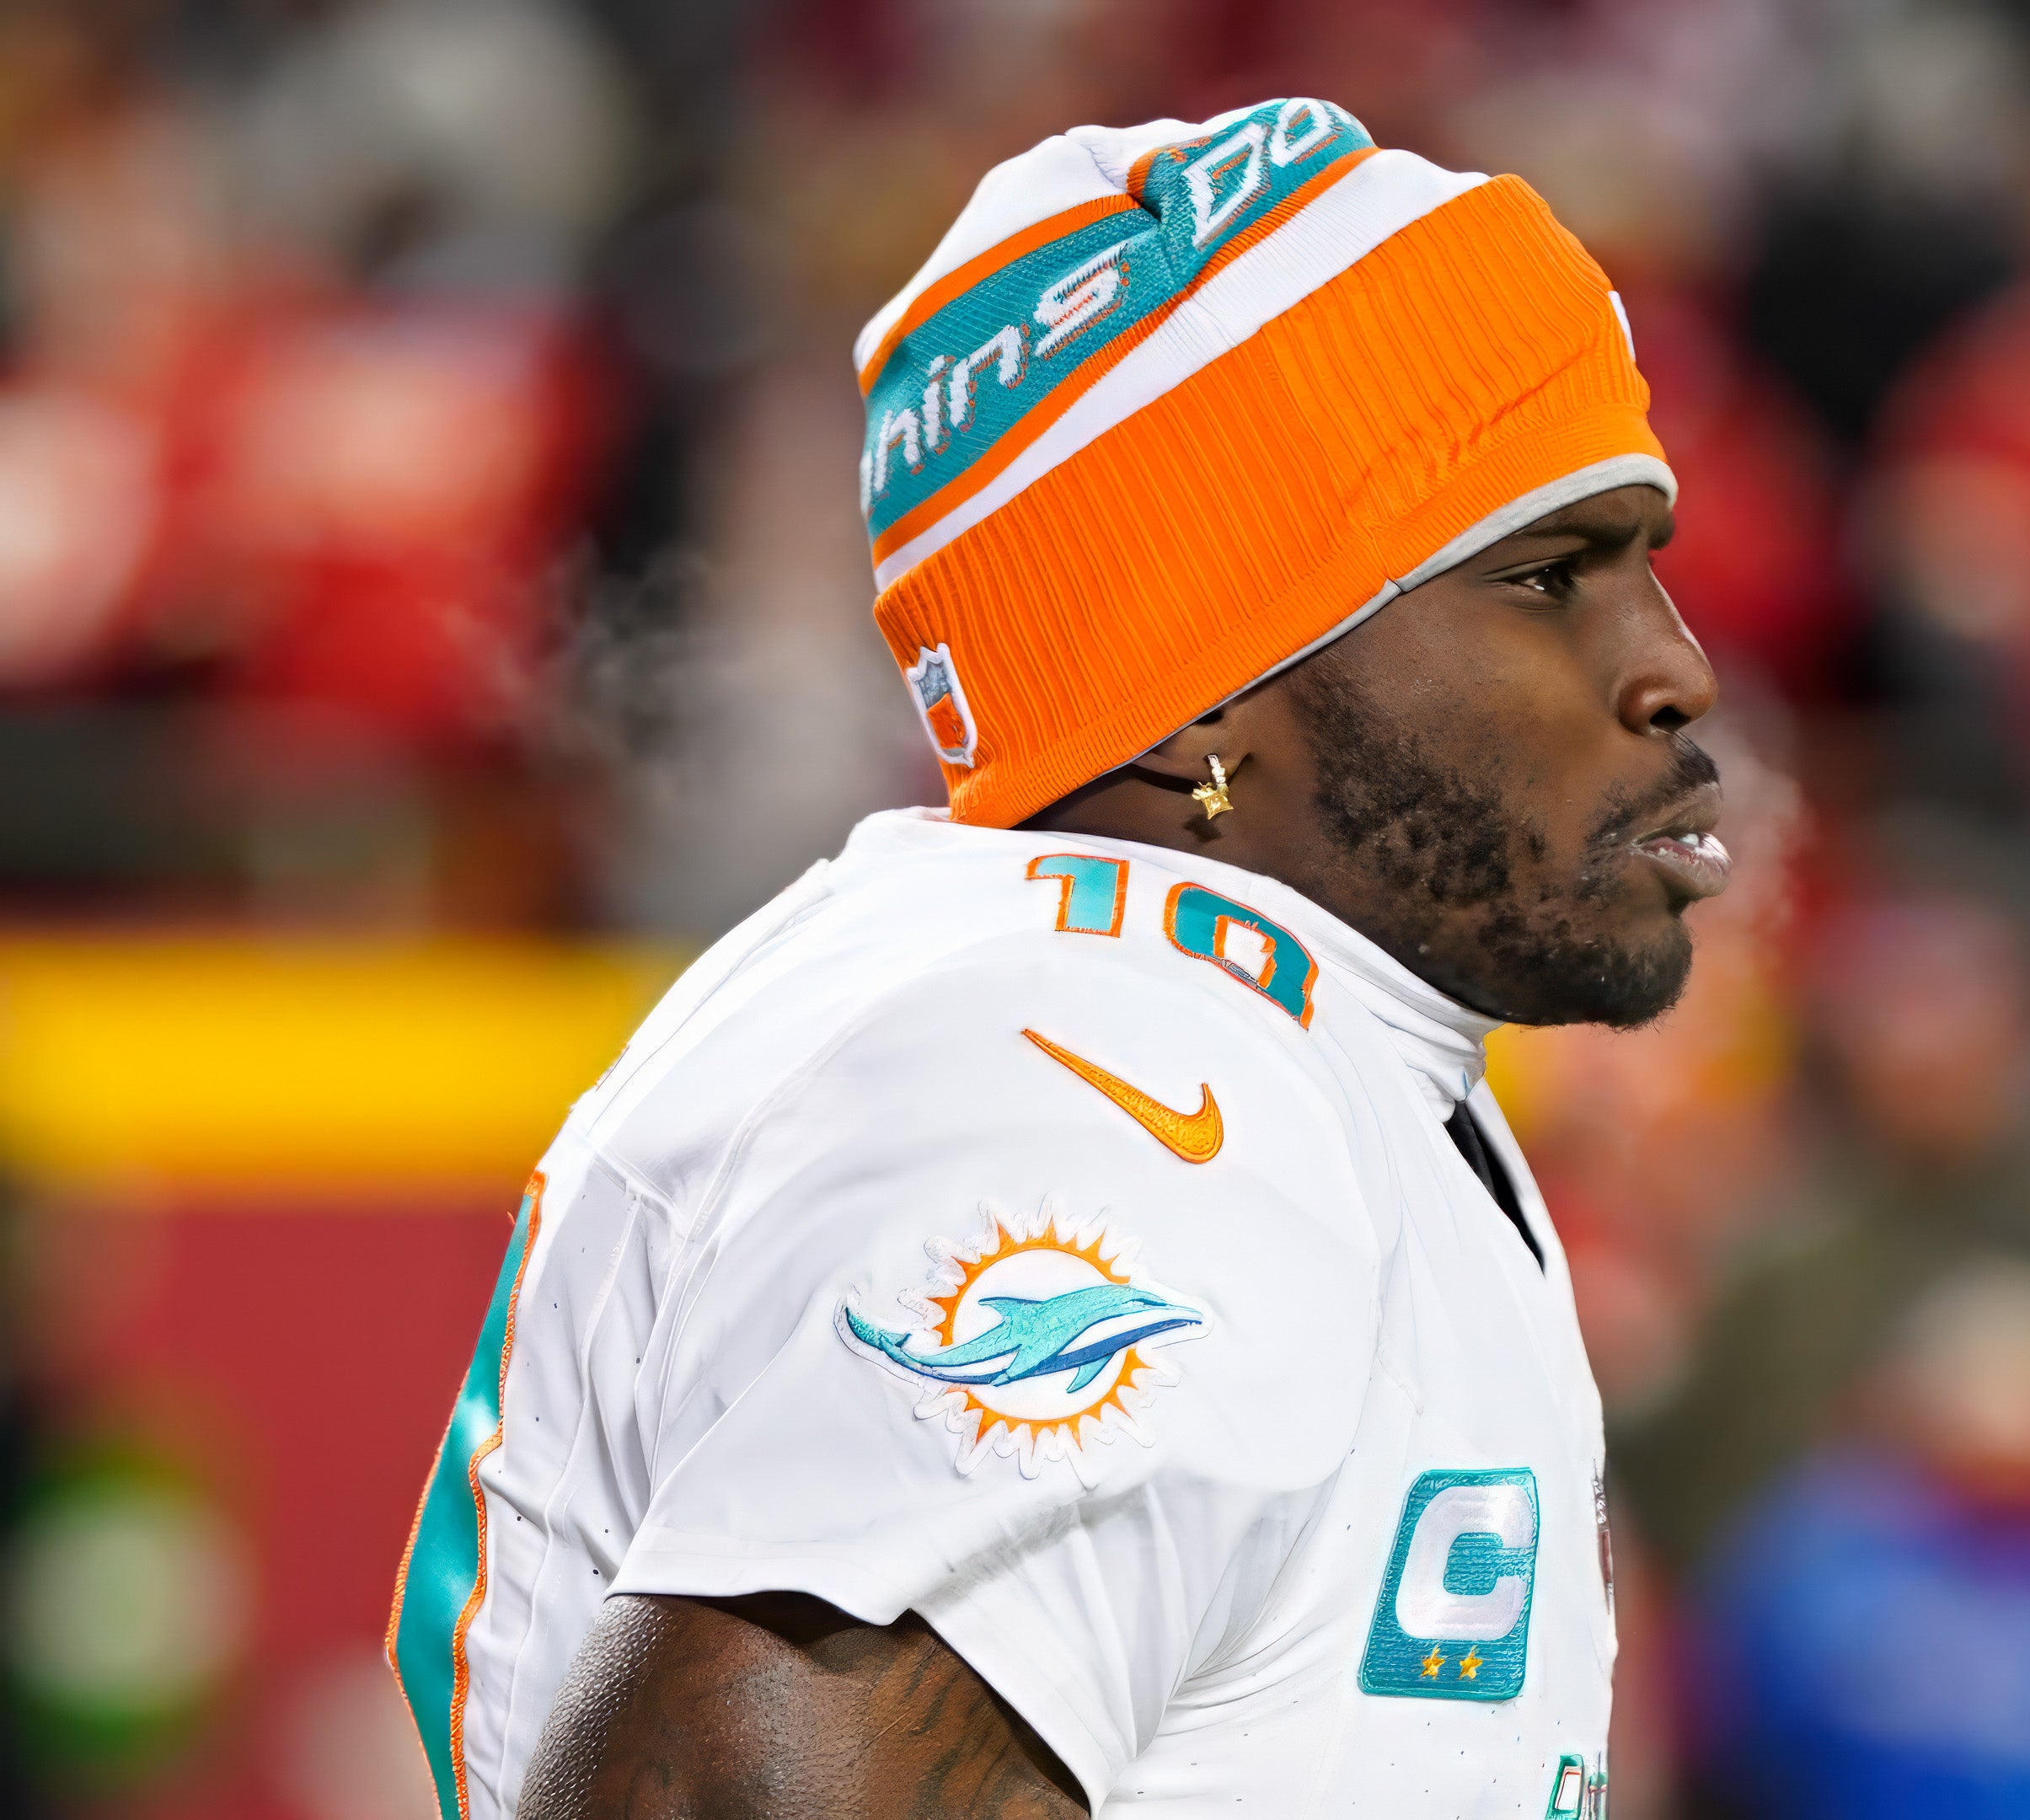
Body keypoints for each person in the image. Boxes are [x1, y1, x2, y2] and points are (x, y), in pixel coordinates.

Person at [384, 98, 1723, 1819]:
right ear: (1201, 698)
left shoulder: (1160, 1022)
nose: (1672, 670)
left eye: (1644, 566)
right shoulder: (1124, 1087)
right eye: (1546, 577)